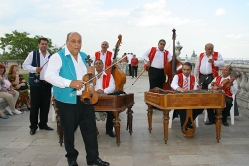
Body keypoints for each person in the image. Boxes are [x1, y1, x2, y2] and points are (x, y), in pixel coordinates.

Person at [45, 32, 110, 166]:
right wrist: (69, 83)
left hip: (86, 98)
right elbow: (49, 76)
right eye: (73, 41)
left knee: (90, 130)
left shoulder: (83, 56)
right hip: (67, 100)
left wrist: (92, 73)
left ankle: (93, 158)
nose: (77, 44)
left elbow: (88, 79)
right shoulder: (58, 57)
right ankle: (71, 157)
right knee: (69, 130)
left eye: (79, 41)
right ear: (67, 42)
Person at [23, 37, 53, 135]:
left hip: (47, 84)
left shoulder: (51, 56)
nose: (44, 45)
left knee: (45, 105)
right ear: (38, 45)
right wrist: (35, 69)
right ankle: (33, 126)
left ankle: (43, 124)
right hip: (36, 84)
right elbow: (25, 66)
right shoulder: (33, 54)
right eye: (42, 44)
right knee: (35, 106)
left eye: (46, 44)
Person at [193, 43, 224, 125]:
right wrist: (194, 77)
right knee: (202, 95)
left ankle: (212, 118)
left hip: (212, 77)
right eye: (209, 49)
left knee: (211, 96)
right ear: (205, 49)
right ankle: (199, 112)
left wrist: (214, 62)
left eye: (211, 49)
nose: (210, 50)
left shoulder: (217, 54)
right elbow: (197, 66)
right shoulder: (201, 55)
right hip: (202, 77)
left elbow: (222, 64)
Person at [171, 62, 203, 131]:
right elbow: (173, 84)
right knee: (183, 107)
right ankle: (184, 126)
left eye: (188, 70)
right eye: (184, 69)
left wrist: (198, 88)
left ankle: (188, 122)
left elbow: (195, 87)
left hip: (190, 98)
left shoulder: (193, 77)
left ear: (191, 70)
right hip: (179, 99)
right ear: (182, 69)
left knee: (200, 108)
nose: (186, 71)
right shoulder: (177, 76)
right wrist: (178, 88)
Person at [94, 59, 116, 137]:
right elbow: (88, 87)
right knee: (88, 112)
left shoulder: (109, 75)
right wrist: (96, 91)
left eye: (100, 63)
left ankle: (109, 130)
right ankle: (94, 130)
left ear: (103, 65)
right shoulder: (91, 76)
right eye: (96, 63)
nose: (98, 64)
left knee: (111, 112)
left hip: (105, 97)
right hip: (94, 97)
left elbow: (112, 87)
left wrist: (103, 91)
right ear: (94, 66)